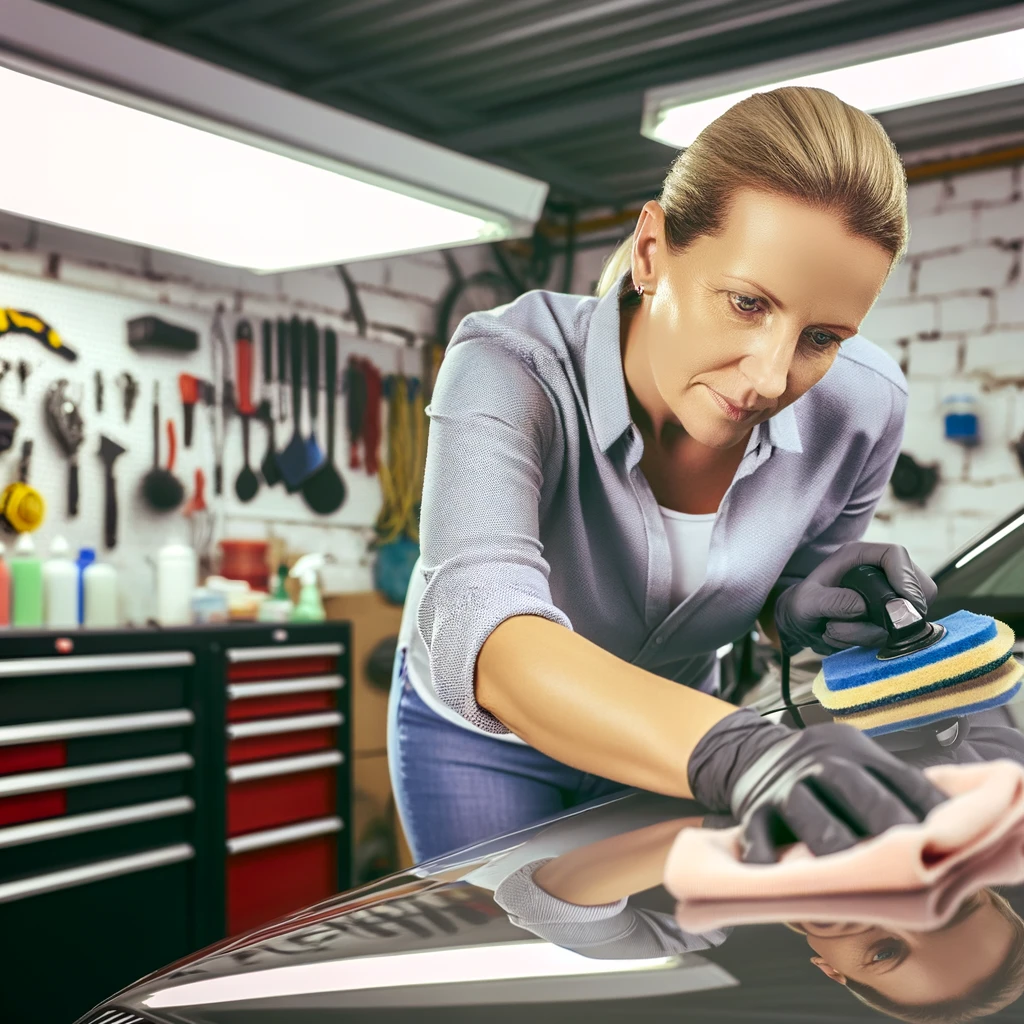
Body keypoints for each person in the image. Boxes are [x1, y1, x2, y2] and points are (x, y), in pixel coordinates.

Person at [388, 84, 950, 865]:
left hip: (686, 723)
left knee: (671, 962)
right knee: (521, 975)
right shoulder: (510, 367)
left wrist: (802, 607)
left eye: (821, 336)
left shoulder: (863, 406)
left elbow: (781, 586)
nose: (770, 375)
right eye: (747, 304)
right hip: (493, 741)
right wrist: (738, 754)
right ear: (652, 253)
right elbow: (490, 630)